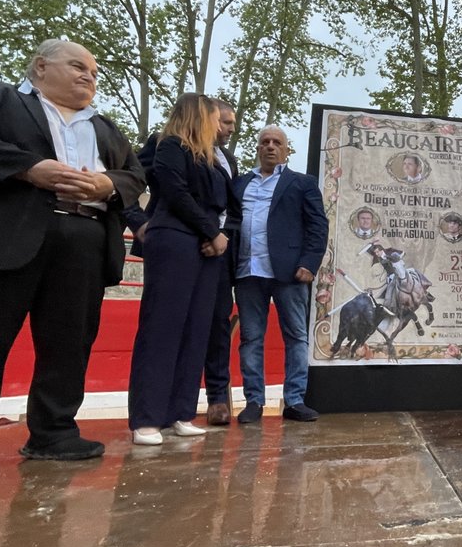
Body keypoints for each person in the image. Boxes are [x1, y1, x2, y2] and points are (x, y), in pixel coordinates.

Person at [0, 39, 145, 484]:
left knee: (70, 342)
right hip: (3, 236)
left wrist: (106, 185)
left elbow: (134, 176)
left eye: (94, 73)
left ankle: (54, 433)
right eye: (78, 66)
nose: (88, 77)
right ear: (41, 66)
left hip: (84, 240)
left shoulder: (105, 128)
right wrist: (29, 168)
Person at [128, 93, 238, 446]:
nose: (218, 124)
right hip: (174, 239)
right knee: (163, 326)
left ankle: (180, 412)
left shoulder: (217, 160)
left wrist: (220, 236)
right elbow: (174, 191)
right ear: (197, 116)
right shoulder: (169, 146)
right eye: (212, 117)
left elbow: (232, 205)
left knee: (196, 329)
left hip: (209, 250)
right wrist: (209, 232)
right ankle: (147, 418)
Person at [234, 126, 328, 423]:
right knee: (251, 338)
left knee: (297, 336)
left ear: (287, 150)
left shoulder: (302, 183)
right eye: (264, 142)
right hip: (247, 271)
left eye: (277, 143)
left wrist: (309, 264)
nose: (270, 147)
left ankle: (295, 400)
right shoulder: (238, 184)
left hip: (289, 272)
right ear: (258, 148)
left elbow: (318, 227)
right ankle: (253, 401)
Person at [203, 102, 241, 425]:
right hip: (187, 248)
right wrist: (140, 224)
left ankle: (217, 398)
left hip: (223, 253)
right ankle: (173, 400)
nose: (230, 128)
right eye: (225, 122)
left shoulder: (230, 160)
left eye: (232, 123)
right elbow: (137, 184)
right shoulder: (169, 144)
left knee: (218, 322)